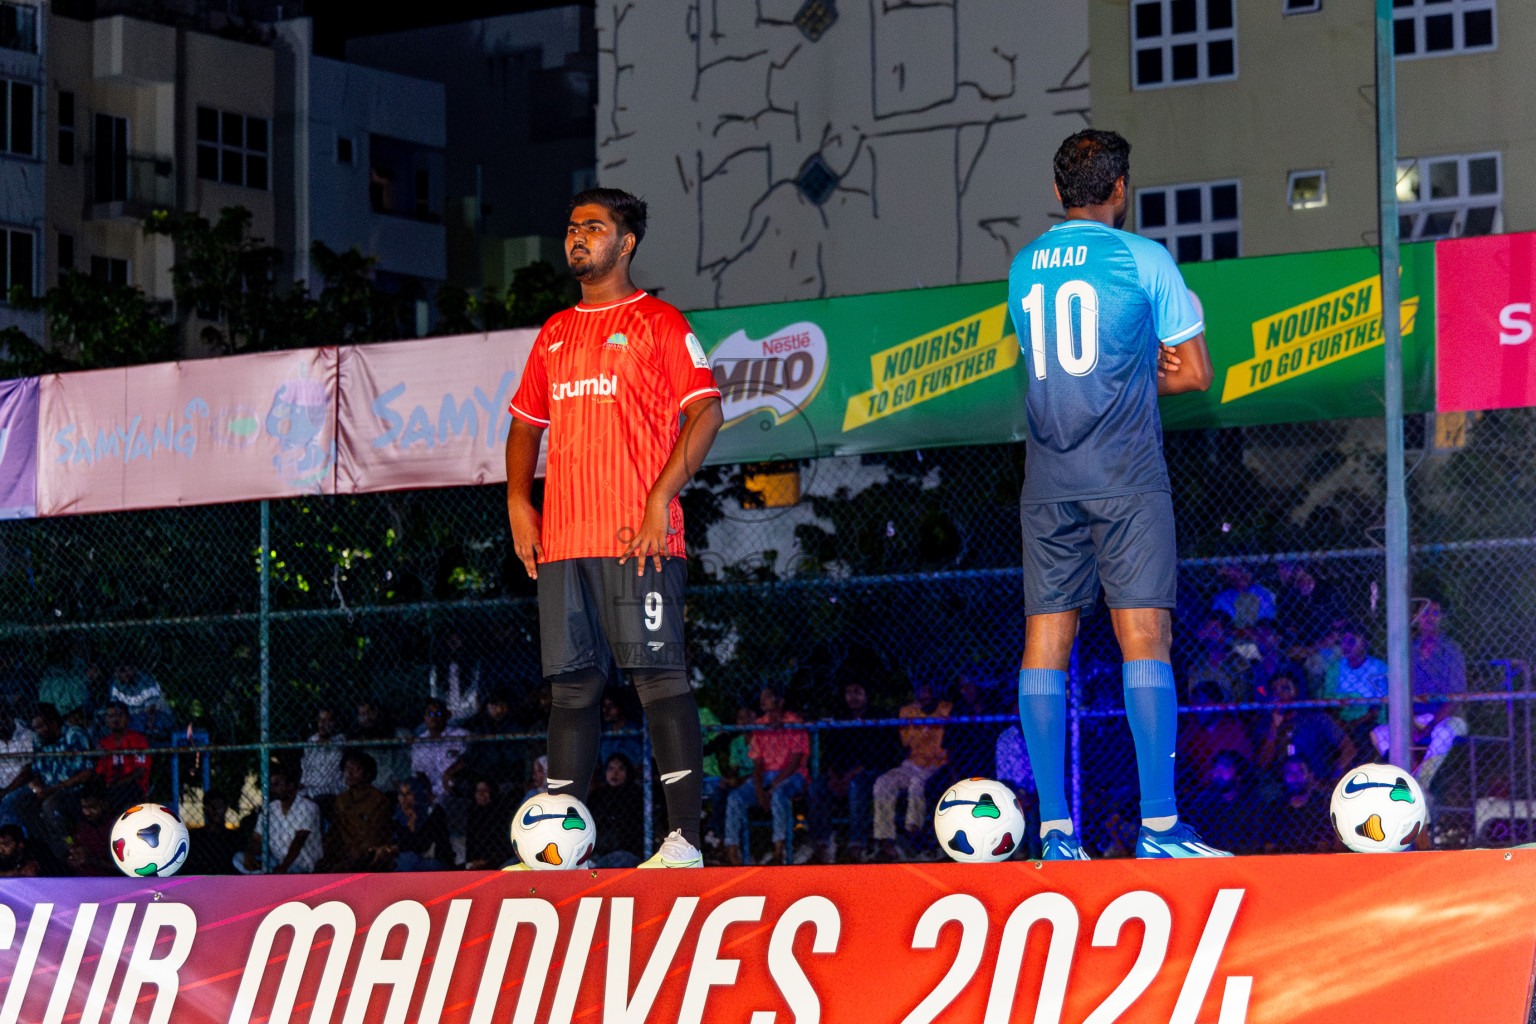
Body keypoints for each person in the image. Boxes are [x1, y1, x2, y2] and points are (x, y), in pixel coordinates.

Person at [1007, 129, 1225, 861]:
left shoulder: (1023, 267)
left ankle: (1056, 833)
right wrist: (1141, 371)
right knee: (1145, 640)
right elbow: (1195, 374)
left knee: (1046, 644)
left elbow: (1056, 372)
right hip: (1124, 472)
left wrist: (1118, 369)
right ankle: (1160, 829)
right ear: (1120, 187)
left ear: (1058, 186)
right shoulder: (1145, 260)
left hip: (1047, 477)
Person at [505, 187, 724, 869]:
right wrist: (519, 500)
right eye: (572, 228)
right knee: (572, 691)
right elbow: (524, 426)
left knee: (660, 680)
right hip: (565, 543)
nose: (578, 238)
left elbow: (707, 412)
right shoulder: (554, 332)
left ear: (625, 243)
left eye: (593, 228)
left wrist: (662, 496)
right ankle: (556, 851)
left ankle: (685, 841)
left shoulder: (659, 322)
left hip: (640, 538)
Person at [1371, 596, 1469, 788]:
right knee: (1379, 733)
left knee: (1443, 733)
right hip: (1416, 717)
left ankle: (1420, 784)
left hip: (1449, 717)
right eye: (1424, 612)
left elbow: (1455, 698)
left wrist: (1430, 726)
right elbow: (1400, 694)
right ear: (1415, 617)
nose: (1429, 618)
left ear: (1442, 618)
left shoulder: (1451, 650)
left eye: (1434, 613)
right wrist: (1411, 724)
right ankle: (1407, 774)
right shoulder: (1407, 650)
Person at [807, 679, 895, 864]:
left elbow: (879, 755)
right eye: (849, 692)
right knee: (816, 788)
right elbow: (830, 753)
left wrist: (849, 776)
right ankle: (822, 844)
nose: (852, 697)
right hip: (840, 774)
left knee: (857, 786)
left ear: (865, 694)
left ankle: (857, 844)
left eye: (857, 692)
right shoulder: (840, 717)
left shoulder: (877, 717)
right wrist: (832, 777)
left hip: (868, 772)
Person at [723, 687, 809, 866]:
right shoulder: (760, 724)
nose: (763, 701)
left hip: (792, 775)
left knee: (779, 795)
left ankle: (780, 848)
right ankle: (732, 850)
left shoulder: (794, 722)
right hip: (766, 777)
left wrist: (771, 787)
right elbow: (758, 762)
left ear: (780, 701)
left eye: (768, 697)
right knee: (735, 798)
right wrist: (759, 790)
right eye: (761, 697)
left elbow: (794, 763)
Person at [873, 680, 952, 862]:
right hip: (912, 763)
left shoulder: (947, 709)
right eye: (921, 691)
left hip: (937, 764)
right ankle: (885, 841)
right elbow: (906, 745)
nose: (925, 696)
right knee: (883, 783)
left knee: (918, 783)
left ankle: (914, 831)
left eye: (929, 691)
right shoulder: (908, 712)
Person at [1253, 672, 1353, 786]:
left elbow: (1349, 747)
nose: (1279, 694)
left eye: (1285, 688)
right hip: (1284, 785)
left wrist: (1334, 775)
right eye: (1274, 690)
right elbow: (1262, 764)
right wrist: (1274, 727)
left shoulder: (1316, 719)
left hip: (1319, 779)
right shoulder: (1266, 724)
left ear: (1296, 691)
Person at [317, 750, 395, 873]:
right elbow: (334, 832)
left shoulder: (378, 800)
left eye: (356, 769)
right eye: (347, 769)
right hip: (343, 854)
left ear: (367, 773)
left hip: (368, 855)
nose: (349, 773)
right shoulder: (341, 799)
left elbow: (376, 835)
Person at [240, 764, 321, 875]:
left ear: (291, 786)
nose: (273, 789)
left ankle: (269, 876)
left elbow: (299, 841)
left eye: (278, 784)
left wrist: (283, 867)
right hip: (277, 862)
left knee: (287, 870)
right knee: (238, 858)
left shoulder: (307, 807)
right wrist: (249, 853)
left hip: (301, 865)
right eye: (272, 785)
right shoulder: (270, 809)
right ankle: (267, 875)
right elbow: (257, 838)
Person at [1180, 751, 1259, 855]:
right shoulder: (1203, 802)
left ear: (1238, 773)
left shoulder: (1251, 802)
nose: (1218, 773)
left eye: (1225, 767)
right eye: (1216, 768)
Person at [1261, 755, 1334, 854]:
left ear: (1310, 775)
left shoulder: (1321, 807)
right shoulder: (1273, 810)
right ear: (1283, 776)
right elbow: (1268, 848)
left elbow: (1325, 846)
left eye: (1300, 771)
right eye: (1290, 772)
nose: (1295, 777)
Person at [587, 753, 645, 869]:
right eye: (611, 768)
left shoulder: (637, 796)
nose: (615, 774)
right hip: (599, 853)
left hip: (629, 853)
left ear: (628, 772)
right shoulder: (597, 797)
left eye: (621, 769)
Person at [387, 777, 454, 872]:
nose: (404, 799)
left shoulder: (435, 812)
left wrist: (412, 822)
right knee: (406, 860)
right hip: (409, 860)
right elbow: (402, 842)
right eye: (402, 794)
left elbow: (422, 845)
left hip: (434, 860)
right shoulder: (398, 815)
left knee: (408, 859)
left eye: (409, 794)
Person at [410, 698, 469, 802]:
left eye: (438, 713)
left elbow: (471, 757)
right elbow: (419, 772)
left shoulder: (461, 735)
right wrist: (428, 793)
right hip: (430, 795)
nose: (434, 717)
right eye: (430, 714)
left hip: (456, 793)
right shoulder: (419, 742)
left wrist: (451, 771)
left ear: (446, 716)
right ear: (425, 717)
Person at [95, 702, 151, 812]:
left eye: (120, 715)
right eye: (111, 716)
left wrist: (118, 783)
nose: (116, 719)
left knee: (122, 793)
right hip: (109, 787)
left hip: (133, 787)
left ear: (127, 718)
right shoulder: (104, 743)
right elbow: (100, 771)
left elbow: (141, 770)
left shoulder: (138, 740)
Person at [299, 706, 348, 813]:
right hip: (311, 791)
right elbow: (307, 770)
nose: (323, 724)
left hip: (333, 791)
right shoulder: (311, 741)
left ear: (335, 722)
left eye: (328, 720)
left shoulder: (341, 740)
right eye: (321, 720)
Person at [66, 782, 117, 876]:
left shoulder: (117, 828)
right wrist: (71, 848)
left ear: (104, 804)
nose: (87, 812)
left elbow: (120, 868)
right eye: (84, 807)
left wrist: (90, 860)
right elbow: (69, 838)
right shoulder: (82, 827)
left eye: (92, 807)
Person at [464, 776, 515, 870]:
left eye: (485, 791)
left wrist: (486, 861)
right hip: (476, 862)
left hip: (497, 860)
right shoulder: (473, 814)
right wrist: (472, 861)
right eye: (478, 791)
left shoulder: (500, 814)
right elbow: (470, 844)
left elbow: (502, 846)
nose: (481, 794)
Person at [1210, 565, 1277, 630]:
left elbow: (1269, 618)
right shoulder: (1222, 597)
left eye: (1242, 571)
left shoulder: (1262, 592)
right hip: (1232, 634)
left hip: (1258, 633)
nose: (1238, 575)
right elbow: (1216, 622)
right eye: (1233, 572)